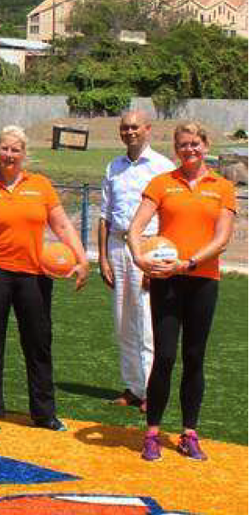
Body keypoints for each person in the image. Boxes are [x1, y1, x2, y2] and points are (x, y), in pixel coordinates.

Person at [0, 125, 88, 435]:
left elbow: (63, 227)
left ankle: (44, 414)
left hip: (34, 274)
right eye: (5, 148)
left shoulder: (41, 186)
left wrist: (82, 259)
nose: (10, 155)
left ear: (24, 153)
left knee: (38, 344)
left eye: (16, 150)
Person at [127, 122, 236, 462]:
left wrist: (187, 263)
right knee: (165, 357)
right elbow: (134, 228)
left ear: (206, 145)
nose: (190, 149)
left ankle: (189, 432)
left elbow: (222, 239)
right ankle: (152, 433)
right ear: (176, 148)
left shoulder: (223, 187)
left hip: (202, 279)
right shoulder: (162, 183)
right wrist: (140, 259)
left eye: (195, 143)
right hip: (166, 280)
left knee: (194, 357)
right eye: (183, 144)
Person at [97, 111, 172, 411]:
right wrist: (102, 258)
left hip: (147, 246)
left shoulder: (162, 167)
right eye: (125, 128)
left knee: (145, 321)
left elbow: (168, 216)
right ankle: (133, 386)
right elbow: (104, 215)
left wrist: (154, 260)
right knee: (122, 322)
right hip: (116, 246)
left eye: (135, 127)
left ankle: (151, 391)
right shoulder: (113, 166)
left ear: (147, 130)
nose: (130, 132)